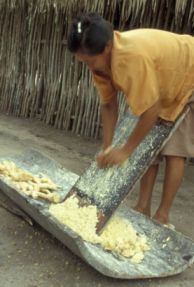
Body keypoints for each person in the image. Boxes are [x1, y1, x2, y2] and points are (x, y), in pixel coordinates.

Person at [67, 13, 194, 225]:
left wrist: (125, 150)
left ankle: (162, 216)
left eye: (90, 61)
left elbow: (151, 111)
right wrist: (108, 147)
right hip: (164, 80)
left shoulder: (131, 58)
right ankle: (143, 207)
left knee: (174, 149)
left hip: (189, 72)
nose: (89, 67)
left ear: (108, 47)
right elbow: (108, 104)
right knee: (146, 143)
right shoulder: (99, 62)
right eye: (83, 62)